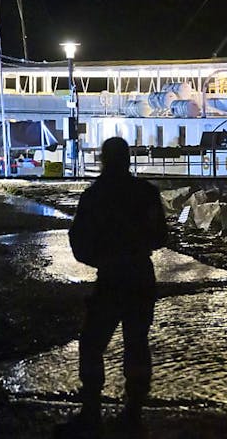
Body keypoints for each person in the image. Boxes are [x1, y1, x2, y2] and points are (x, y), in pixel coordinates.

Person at [65, 136, 168, 432]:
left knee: (92, 342)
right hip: (140, 273)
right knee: (137, 343)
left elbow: (78, 239)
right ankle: (133, 409)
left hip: (111, 277)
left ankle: (92, 407)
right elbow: (162, 236)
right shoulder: (146, 193)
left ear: (103, 160)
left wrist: (99, 259)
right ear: (128, 159)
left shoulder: (94, 196)